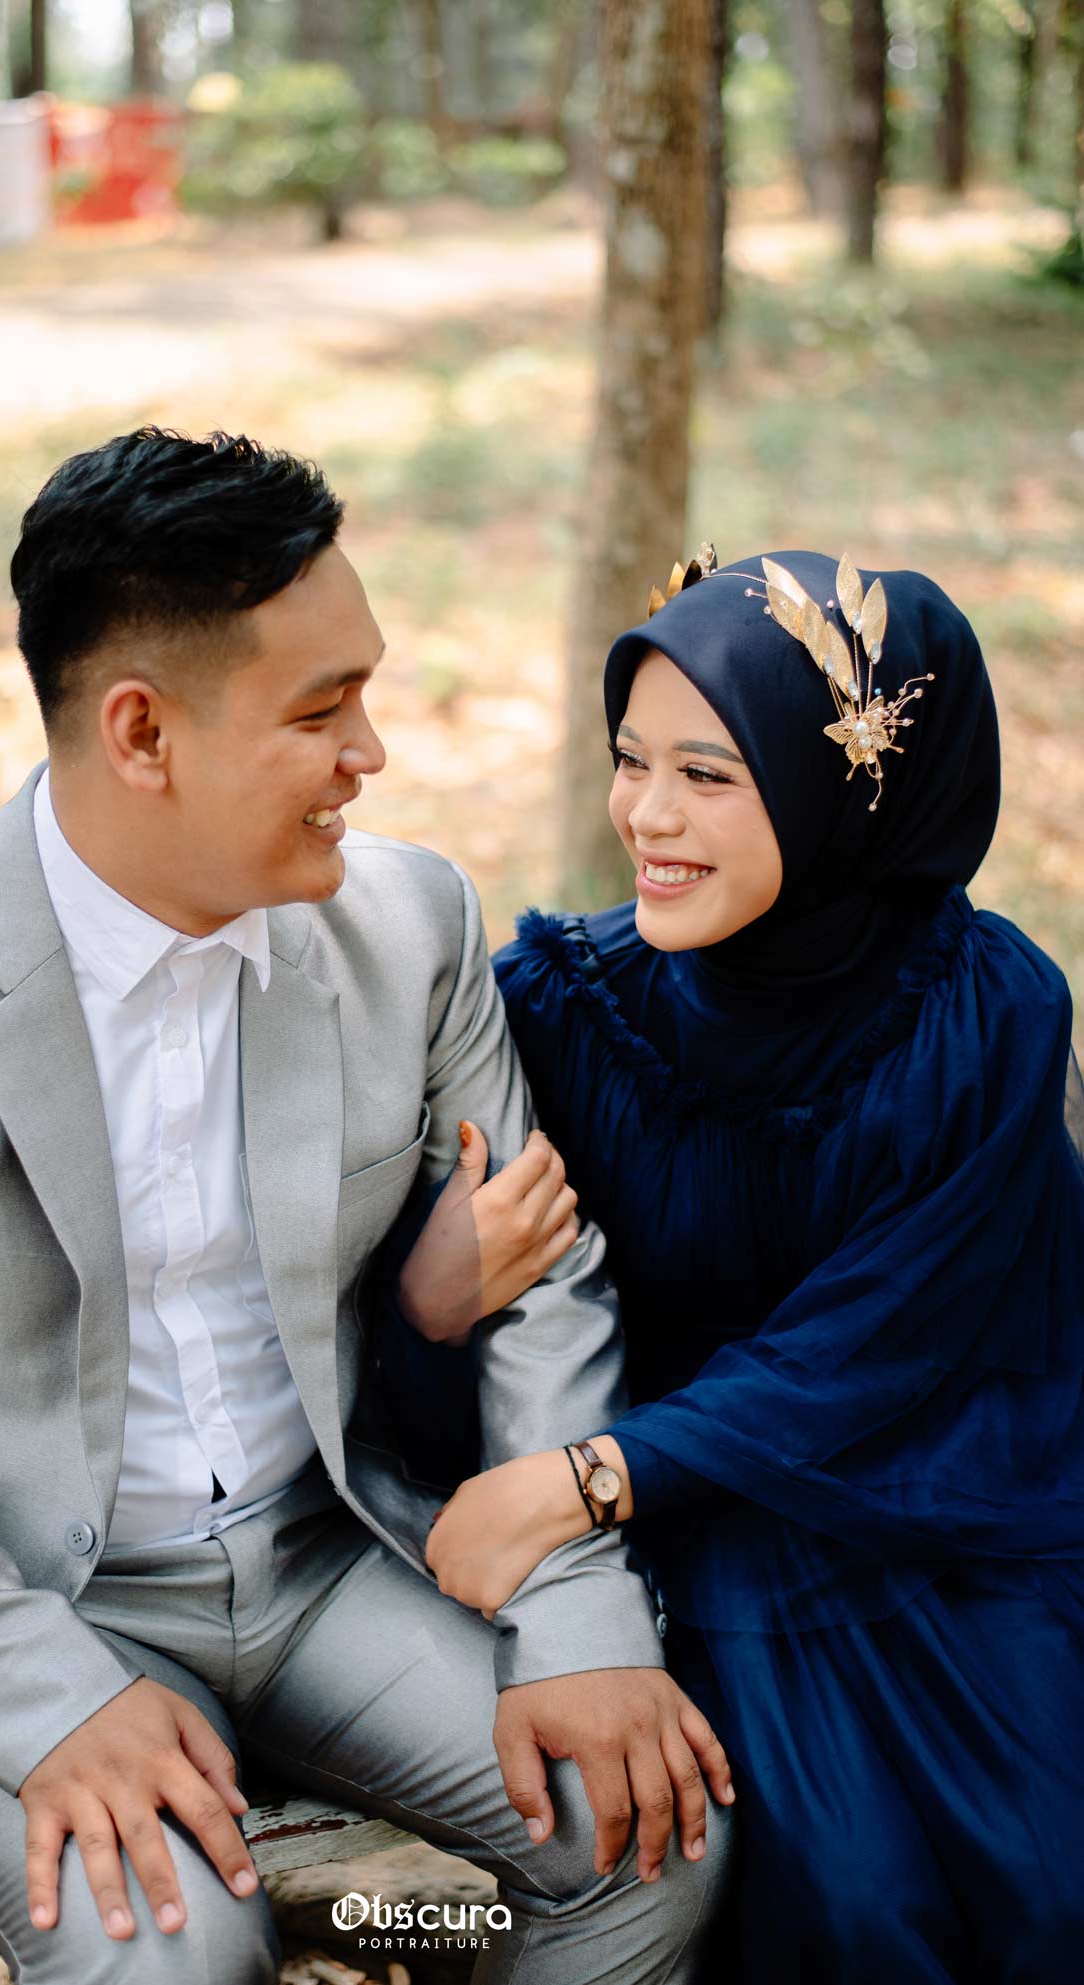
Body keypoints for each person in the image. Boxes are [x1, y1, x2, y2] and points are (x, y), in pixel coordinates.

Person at [0, 429, 736, 1985]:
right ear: (141, 731)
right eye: (319, 709)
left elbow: (538, 1282)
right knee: (174, 1949)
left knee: (643, 1836)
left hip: (320, 1557)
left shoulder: (409, 922)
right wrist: (44, 1696)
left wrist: (574, 1618)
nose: (371, 752)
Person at [410, 548, 1084, 1983]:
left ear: (850, 788)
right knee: (840, 1897)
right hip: (687, 1532)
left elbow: (881, 1342)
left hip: (935, 1484)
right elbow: (407, 1329)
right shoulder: (561, 1011)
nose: (646, 815)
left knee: (1043, 1876)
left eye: (708, 776)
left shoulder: (984, 1011)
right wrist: (433, 1300)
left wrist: (590, 1475)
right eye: (629, 760)